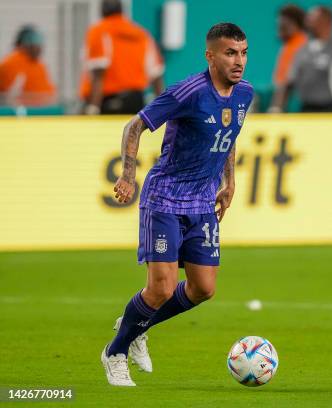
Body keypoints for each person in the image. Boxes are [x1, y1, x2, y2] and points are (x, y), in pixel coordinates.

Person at [100, 22, 253, 386]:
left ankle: (135, 324)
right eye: (231, 53)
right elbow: (134, 127)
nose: (239, 61)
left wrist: (229, 182)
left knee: (203, 289)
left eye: (244, 53)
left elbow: (227, 135)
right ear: (210, 56)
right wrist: (128, 174)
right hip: (165, 198)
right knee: (161, 289)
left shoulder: (244, 94)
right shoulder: (188, 92)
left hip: (202, 202)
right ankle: (116, 351)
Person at [269, 5, 332, 112]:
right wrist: (276, 108)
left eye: (312, 18)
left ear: (326, 21)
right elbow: (288, 83)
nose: (307, 21)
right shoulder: (301, 51)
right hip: (307, 110)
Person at [80, 0, 164, 115]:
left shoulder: (99, 31)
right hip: (136, 103)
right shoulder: (142, 34)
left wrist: (93, 107)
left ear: (102, 10)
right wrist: (162, 110)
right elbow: (156, 75)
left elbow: (98, 73)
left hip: (107, 103)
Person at [0, 25, 56, 106]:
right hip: (21, 112)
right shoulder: (10, 63)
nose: (39, 48)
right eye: (35, 44)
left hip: (42, 110)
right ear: (24, 45)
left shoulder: (39, 65)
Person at [272, 4, 308, 88]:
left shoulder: (300, 45)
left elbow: (285, 83)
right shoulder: (290, 45)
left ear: (295, 25)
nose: (279, 29)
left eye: (283, 27)